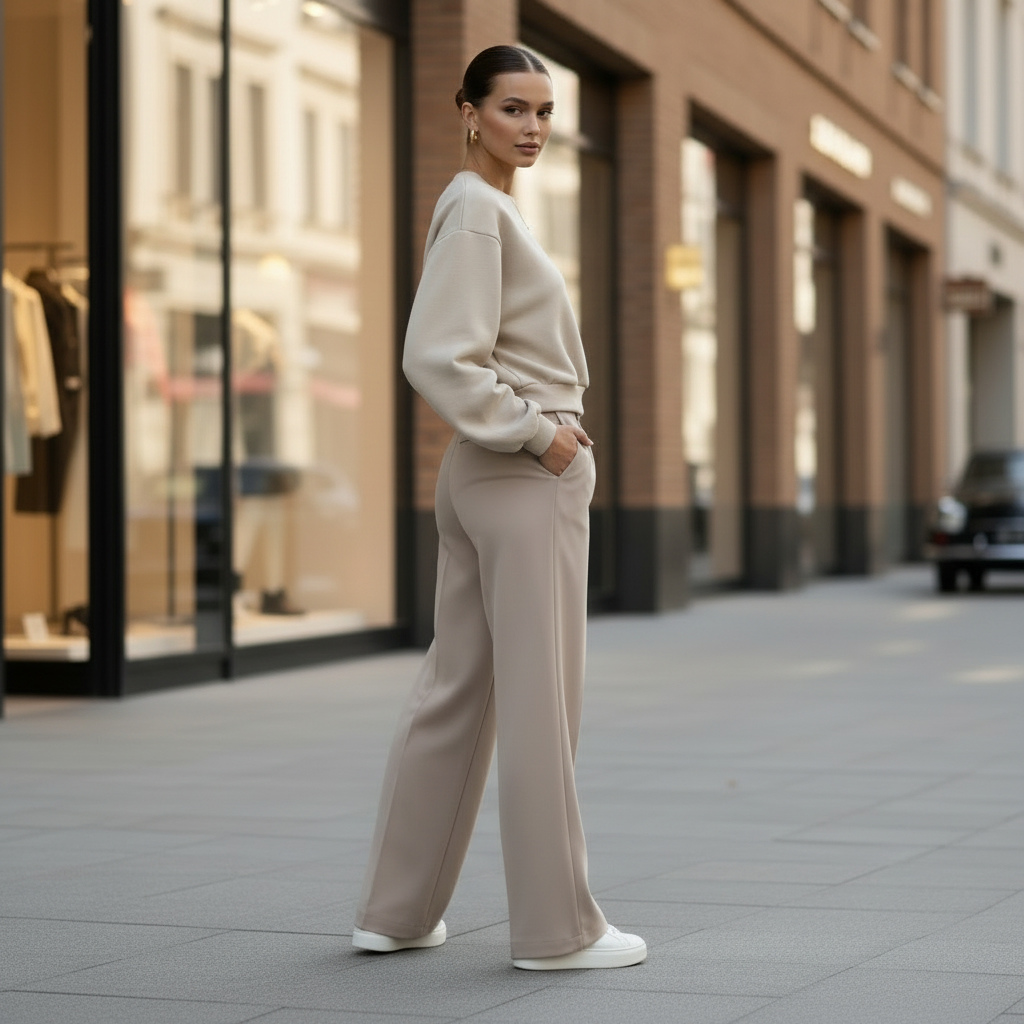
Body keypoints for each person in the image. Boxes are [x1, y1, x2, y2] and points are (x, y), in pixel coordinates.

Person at [352, 44, 646, 972]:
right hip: (521, 470)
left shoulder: (477, 209)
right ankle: (559, 934)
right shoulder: (480, 212)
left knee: (458, 691)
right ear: (469, 112)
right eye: (513, 109)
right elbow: (437, 355)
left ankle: (396, 911)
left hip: (486, 473)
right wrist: (538, 433)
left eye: (545, 112)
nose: (533, 128)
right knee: (537, 704)